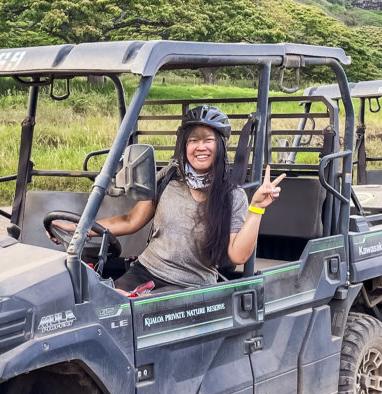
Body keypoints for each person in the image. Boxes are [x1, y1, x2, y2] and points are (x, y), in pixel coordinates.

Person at [76, 105, 286, 293]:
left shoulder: (233, 195)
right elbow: (130, 221)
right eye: (193, 140)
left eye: (208, 140)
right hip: (146, 271)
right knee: (107, 305)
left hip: (192, 286)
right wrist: (77, 228)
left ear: (220, 146)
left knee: (144, 315)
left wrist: (257, 208)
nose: (200, 147)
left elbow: (238, 256)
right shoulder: (169, 177)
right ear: (184, 146)